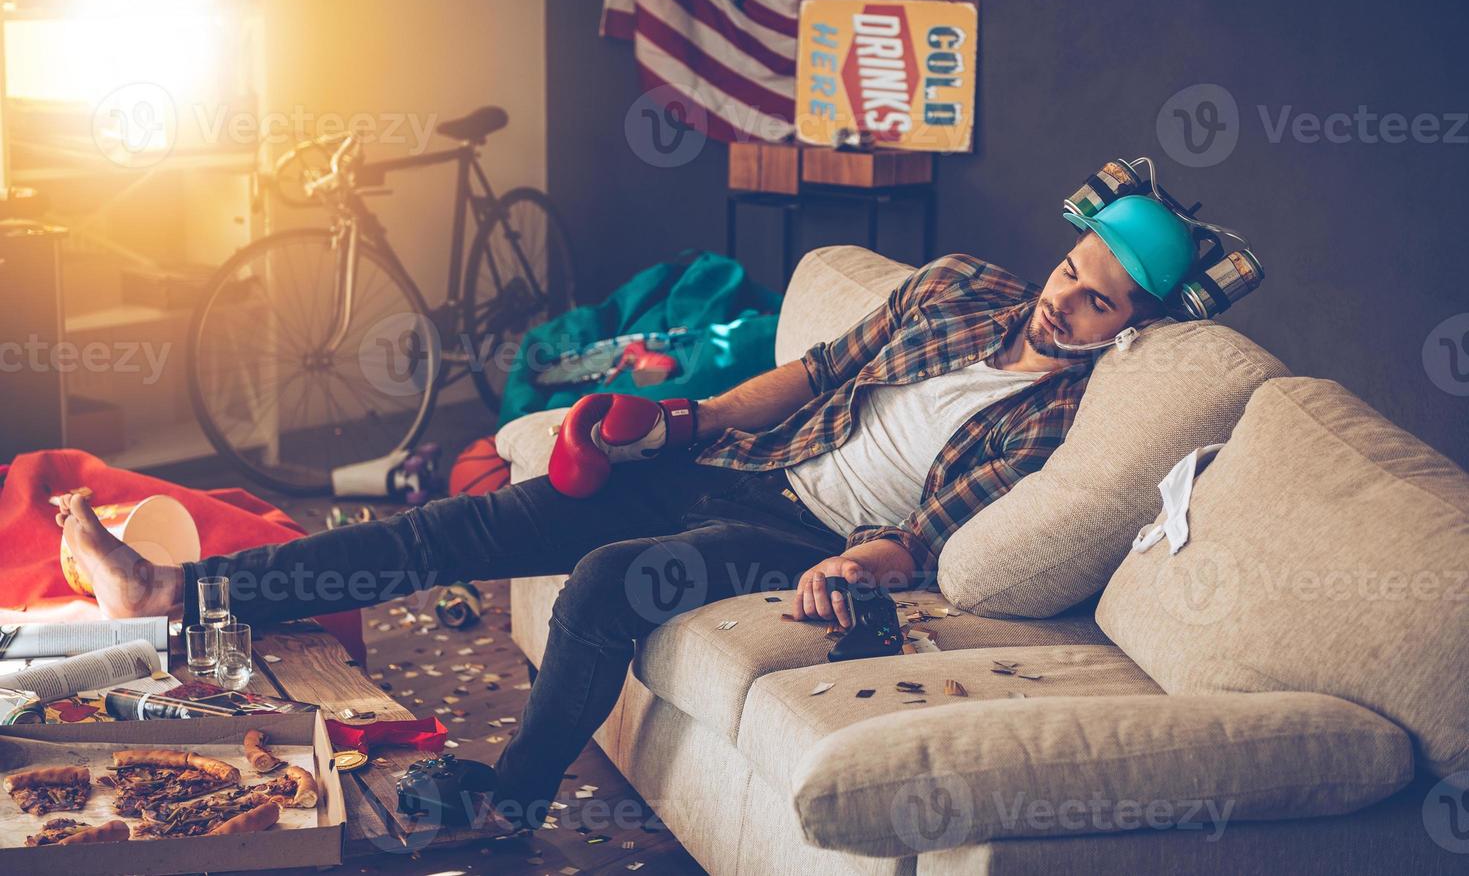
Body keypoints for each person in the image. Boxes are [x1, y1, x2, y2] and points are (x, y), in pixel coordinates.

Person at [56, 194, 1194, 830]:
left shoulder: (1059, 413)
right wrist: (675, 421)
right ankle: (173, 590)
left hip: (802, 537)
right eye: (1068, 270)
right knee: (471, 524)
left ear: (1131, 324)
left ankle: (509, 800)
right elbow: (795, 379)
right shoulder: (952, 287)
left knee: (612, 580)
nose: (1062, 301)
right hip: (748, 458)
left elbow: (934, 532)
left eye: (1097, 302)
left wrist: (859, 564)